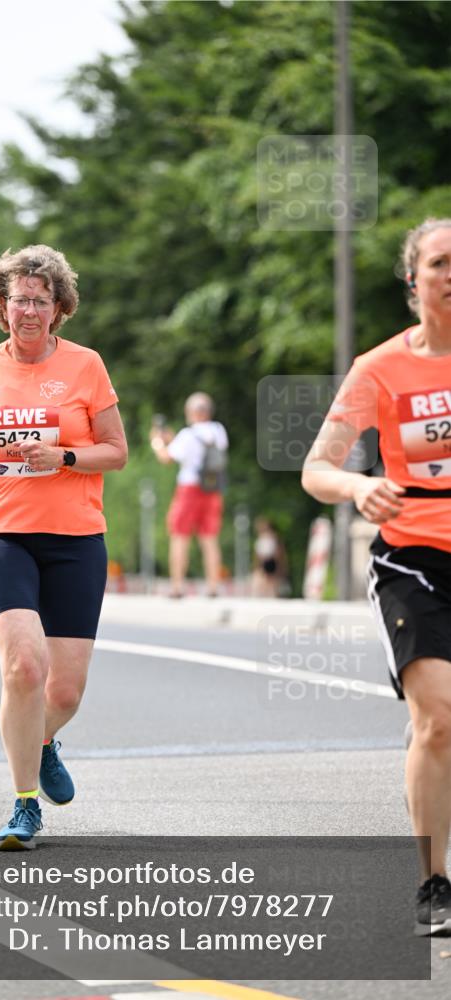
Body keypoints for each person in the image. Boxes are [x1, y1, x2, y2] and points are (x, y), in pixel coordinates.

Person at [0, 245, 127, 850]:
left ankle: (41, 742)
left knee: (63, 691)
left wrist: (63, 456)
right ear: (0, 305)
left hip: (76, 539)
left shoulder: (86, 366)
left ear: (58, 308)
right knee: (24, 666)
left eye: (40, 300)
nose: (29, 310)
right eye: (18, 300)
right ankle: (24, 805)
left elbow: (116, 450)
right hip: (0, 531)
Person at [302, 217, 451, 936]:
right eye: (440, 263)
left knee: (437, 724)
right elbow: (317, 467)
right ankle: (433, 883)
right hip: (412, 556)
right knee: (440, 718)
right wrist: (358, 488)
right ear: (412, 280)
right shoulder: (379, 368)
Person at [151, 392, 228, 597]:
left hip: (188, 489)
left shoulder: (187, 435)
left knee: (180, 536)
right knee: (210, 538)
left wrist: (157, 443)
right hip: (212, 489)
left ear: (193, 412)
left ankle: (177, 586)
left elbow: (167, 458)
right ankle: (213, 586)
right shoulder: (219, 431)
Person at [251, 517, 288, 598]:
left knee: (271, 582)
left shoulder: (274, 538)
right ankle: (267, 595)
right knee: (266, 581)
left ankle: (270, 596)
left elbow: (279, 552)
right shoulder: (261, 538)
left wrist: (280, 565)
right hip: (265, 561)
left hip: (271, 561)